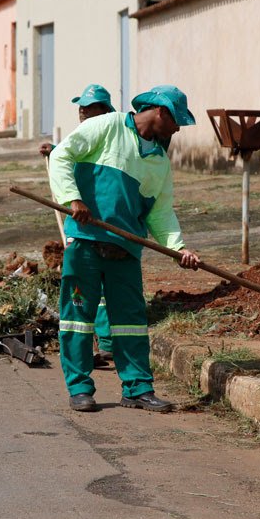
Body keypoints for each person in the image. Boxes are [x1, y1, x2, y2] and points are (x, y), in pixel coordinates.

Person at [48, 84, 201, 413]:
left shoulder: (159, 161)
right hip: (86, 243)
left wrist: (178, 248)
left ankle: (137, 389)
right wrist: (73, 198)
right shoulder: (108, 126)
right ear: (160, 112)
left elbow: (160, 212)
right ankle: (79, 388)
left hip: (125, 251)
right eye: (176, 122)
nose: (177, 129)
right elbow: (62, 155)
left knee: (130, 321)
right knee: (77, 318)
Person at [39, 83, 116, 367]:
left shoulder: (113, 134)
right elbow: (80, 154)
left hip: (107, 222)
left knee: (106, 291)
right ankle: (85, 351)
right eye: (80, 105)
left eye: (88, 105)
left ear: (104, 109)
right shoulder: (85, 133)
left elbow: (96, 159)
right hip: (82, 224)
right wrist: (56, 150)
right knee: (81, 292)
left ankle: (107, 343)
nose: (82, 110)